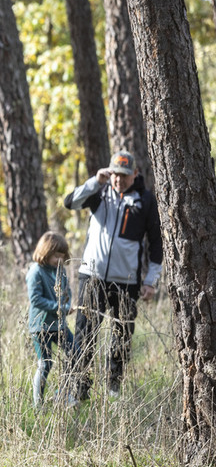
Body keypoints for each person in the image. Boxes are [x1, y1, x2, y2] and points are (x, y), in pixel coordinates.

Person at [62, 150, 162, 403]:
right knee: (85, 335)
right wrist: (96, 181)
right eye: (116, 175)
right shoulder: (99, 191)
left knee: (121, 336)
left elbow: (156, 243)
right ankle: (78, 391)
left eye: (125, 176)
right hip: (92, 276)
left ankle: (114, 390)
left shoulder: (145, 200)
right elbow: (69, 202)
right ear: (110, 172)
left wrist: (151, 280)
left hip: (126, 281)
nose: (119, 180)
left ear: (135, 174)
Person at [27, 232, 74, 408]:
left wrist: (67, 303)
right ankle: (37, 404)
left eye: (62, 256)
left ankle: (62, 394)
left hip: (60, 325)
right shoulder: (36, 271)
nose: (59, 260)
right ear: (46, 252)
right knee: (45, 364)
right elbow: (36, 299)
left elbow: (66, 291)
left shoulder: (60, 271)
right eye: (56, 256)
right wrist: (59, 307)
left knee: (76, 355)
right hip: (41, 326)